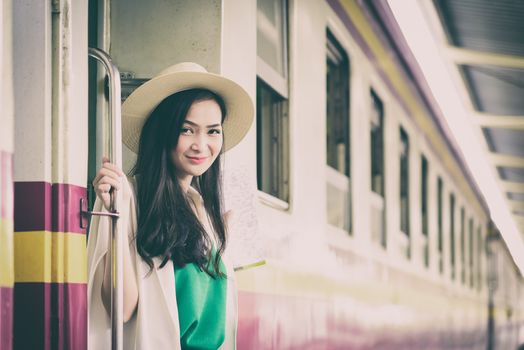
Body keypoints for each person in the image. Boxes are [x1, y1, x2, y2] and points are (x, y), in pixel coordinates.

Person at [87, 62, 254, 349]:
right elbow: (120, 310)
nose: (201, 145)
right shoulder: (129, 197)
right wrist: (118, 215)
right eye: (186, 130)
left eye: (213, 131)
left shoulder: (204, 208)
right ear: (162, 133)